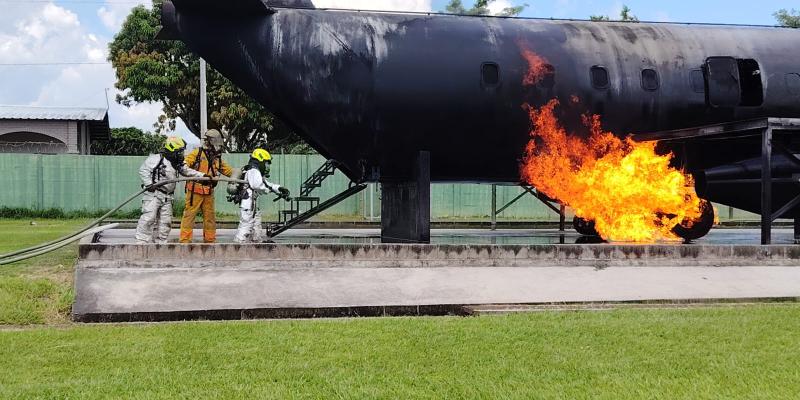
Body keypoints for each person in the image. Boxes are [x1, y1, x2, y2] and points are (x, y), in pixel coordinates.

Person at [136, 137, 205, 244]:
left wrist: (204, 177)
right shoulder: (156, 159)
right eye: (180, 151)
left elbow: (187, 171)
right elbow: (143, 170)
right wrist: (149, 184)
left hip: (167, 197)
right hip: (153, 194)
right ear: (172, 150)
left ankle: (161, 244)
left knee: (166, 222)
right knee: (148, 219)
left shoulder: (177, 163)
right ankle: (140, 244)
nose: (182, 154)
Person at [179, 129, 235, 243]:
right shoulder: (196, 153)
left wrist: (241, 173)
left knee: (210, 218)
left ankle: (210, 240)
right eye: (217, 144)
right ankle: (185, 241)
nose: (218, 147)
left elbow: (228, 171)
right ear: (209, 142)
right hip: (195, 191)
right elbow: (184, 168)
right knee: (189, 216)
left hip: (209, 192)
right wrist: (200, 175)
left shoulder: (216, 158)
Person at [234, 149, 291, 243]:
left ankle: (256, 243)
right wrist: (267, 190)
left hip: (252, 202)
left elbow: (266, 183)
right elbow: (257, 185)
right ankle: (239, 245)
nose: (267, 166)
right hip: (248, 202)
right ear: (261, 161)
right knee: (246, 225)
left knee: (256, 224)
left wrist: (278, 188)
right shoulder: (253, 170)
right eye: (266, 163)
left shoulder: (255, 171)